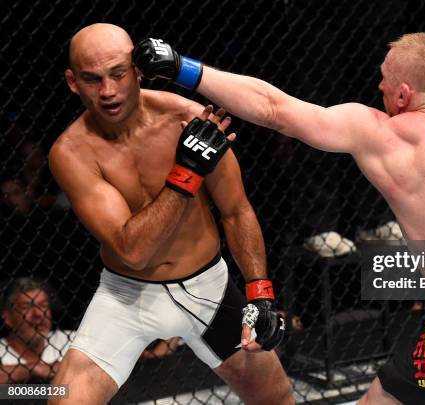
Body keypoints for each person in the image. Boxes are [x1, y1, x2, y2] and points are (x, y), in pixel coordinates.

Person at [134, 33, 425, 404]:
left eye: (383, 77)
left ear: (404, 92)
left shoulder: (381, 134)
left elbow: (275, 108)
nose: (378, 84)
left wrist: (182, 68)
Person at [48, 24, 292, 405]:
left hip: (208, 287)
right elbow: (133, 251)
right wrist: (186, 173)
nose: (108, 91)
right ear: (72, 82)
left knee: (276, 397)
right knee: (65, 400)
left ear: (138, 70)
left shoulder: (189, 116)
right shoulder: (71, 153)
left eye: (117, 73)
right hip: (126, 297)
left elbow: (236, 210)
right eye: (92, 79)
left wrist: (260, 295)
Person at [0, 277, 72, 384]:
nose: (38, 313)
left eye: (43, 305)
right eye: (26, 307)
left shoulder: (70, 339)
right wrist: (33, 369)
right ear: (7, 318)